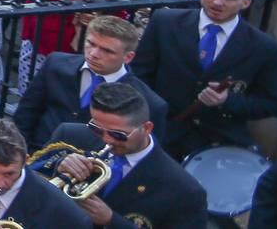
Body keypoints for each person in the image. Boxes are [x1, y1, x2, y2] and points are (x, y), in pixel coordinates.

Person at [131, 0, 277, 157]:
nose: (217, 2)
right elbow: (138, 77)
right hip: (162, 134)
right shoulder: (165, 22)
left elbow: (275, 104)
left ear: (245, 2)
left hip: (219, 142)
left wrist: (228, 100)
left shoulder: (266, 47)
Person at [40, 82, 204, 229]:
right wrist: (58, 165)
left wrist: (112, 221)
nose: (106, 139)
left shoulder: (184, 190)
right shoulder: (70, 135)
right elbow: (25, 177)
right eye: (96, 128)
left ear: (147, 128)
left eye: (118, 134)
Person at [11, 15, 168, 148]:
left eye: (107, 50)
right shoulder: (56, 64)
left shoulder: (149, 103)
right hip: (38, 157)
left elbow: (141, 153)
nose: (94, 54)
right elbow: (25, 116)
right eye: (91, 44)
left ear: (128, 57)